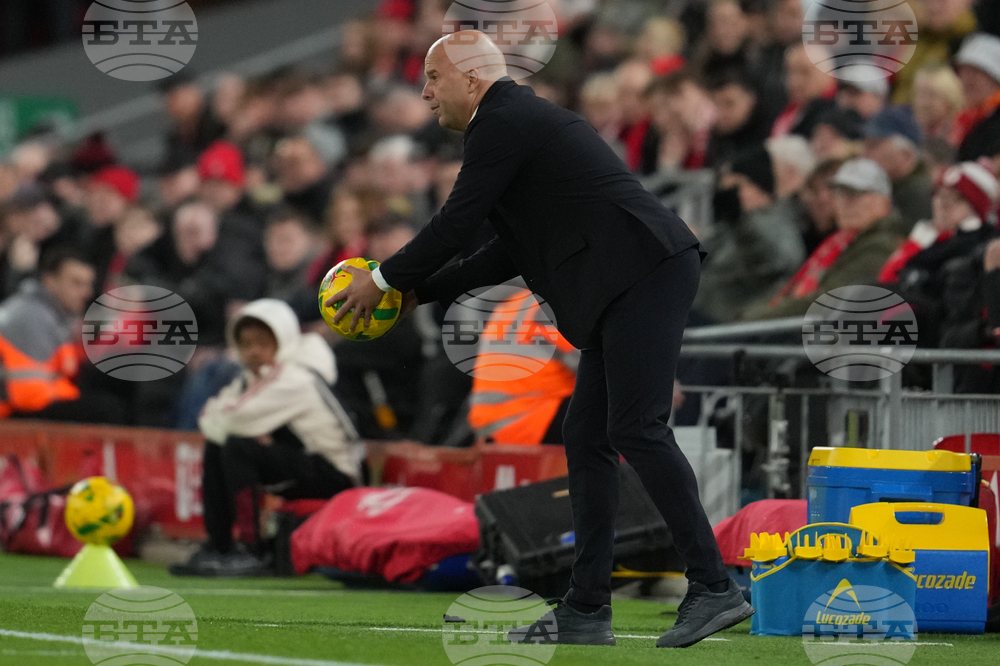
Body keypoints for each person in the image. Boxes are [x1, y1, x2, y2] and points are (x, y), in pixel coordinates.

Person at [327, 30, 753, 648]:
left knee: (636, 428)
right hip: (630, 276)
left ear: (472, 79)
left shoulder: (504, 119)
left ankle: (713, 585)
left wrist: (385, 280)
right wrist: (418, 293)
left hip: (643, 272)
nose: (423, 93)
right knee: (588, 435)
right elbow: (507, 248)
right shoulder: (510, 121)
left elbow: (455, 224)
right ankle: (586, 607)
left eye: (433, 78)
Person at [170, 298, 363, 577]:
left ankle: (251, 550)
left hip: (338, 475)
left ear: (283, 340)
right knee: (221, 443)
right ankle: (220, 545)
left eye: (262, 343)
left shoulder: (295, 377)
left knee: (236, 445)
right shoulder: (256, 376)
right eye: (245, 344)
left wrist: (231, 423)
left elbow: (228, 419)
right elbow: (210, 419)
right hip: (305, 464)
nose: (253, 352)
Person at [741, 158, 904, 320]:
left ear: (884, 201)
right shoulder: (840, 241)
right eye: (840, 193)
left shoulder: (880, 246)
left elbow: (827, 302)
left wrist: (756, 318)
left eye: (856, 194)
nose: (845, 202)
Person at [0, 248, 122, 423]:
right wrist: (73, 397)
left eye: (88, 284)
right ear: (49, 281)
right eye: (76, 283)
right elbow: (29, 394)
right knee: (106, 409)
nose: (86, 293)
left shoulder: (47, 314)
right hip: (10, 415)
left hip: (23, 405)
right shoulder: (31, 317)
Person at [694, 145, 806, 323]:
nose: (733, 197)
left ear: (759, 186)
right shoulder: (735, 224)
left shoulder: (780, 224)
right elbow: (703, 258)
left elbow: (777, 262)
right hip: (700, 311)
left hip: (728, 324)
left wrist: (740, 223)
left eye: (737, 188)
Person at [862, 107, 933, 232]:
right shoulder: (892, 186)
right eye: (865, 144)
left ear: (906, 153)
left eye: (874, 145)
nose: (864, 153)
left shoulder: (920, 196)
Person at [951, 33, 1000, 162]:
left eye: (976, 72)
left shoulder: (994, 123)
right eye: (964, 71)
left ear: (995, 79)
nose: (967, 80)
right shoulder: (960, 117)